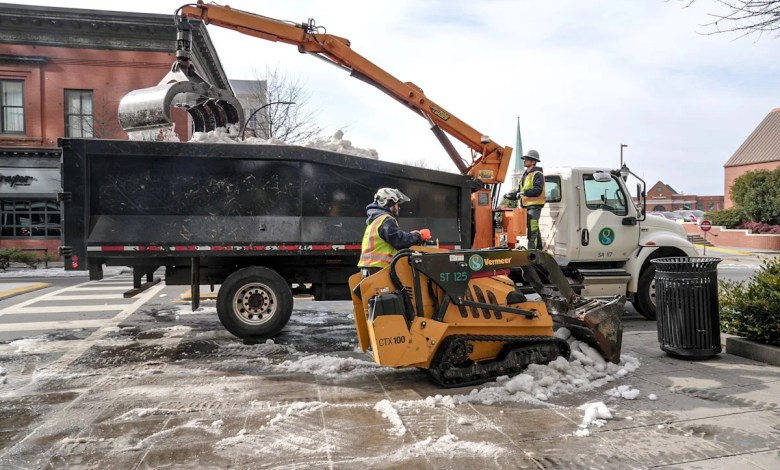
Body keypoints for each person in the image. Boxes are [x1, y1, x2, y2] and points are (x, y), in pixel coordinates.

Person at [358, 187, 431, 278]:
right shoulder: (386, 220)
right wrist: (419, 236)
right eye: (397, 204)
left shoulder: (375, 220)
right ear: (389, 203)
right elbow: (400, 241)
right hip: (378, 269)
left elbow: (394, 237)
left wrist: (410, 235)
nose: (398, 208)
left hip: (369, 268)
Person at [504, 150, 546, 250]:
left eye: (527, 159)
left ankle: (533, 252)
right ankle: (539, 249)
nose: (524, 161)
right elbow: (519, 192)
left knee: (532, 231)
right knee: (534, 229)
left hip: (534, 207)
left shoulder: (538, 174)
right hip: (526, 207)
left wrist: (524, 193)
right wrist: (510, 196)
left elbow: (538, 190)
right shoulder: (525, 175)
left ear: (533, 162)